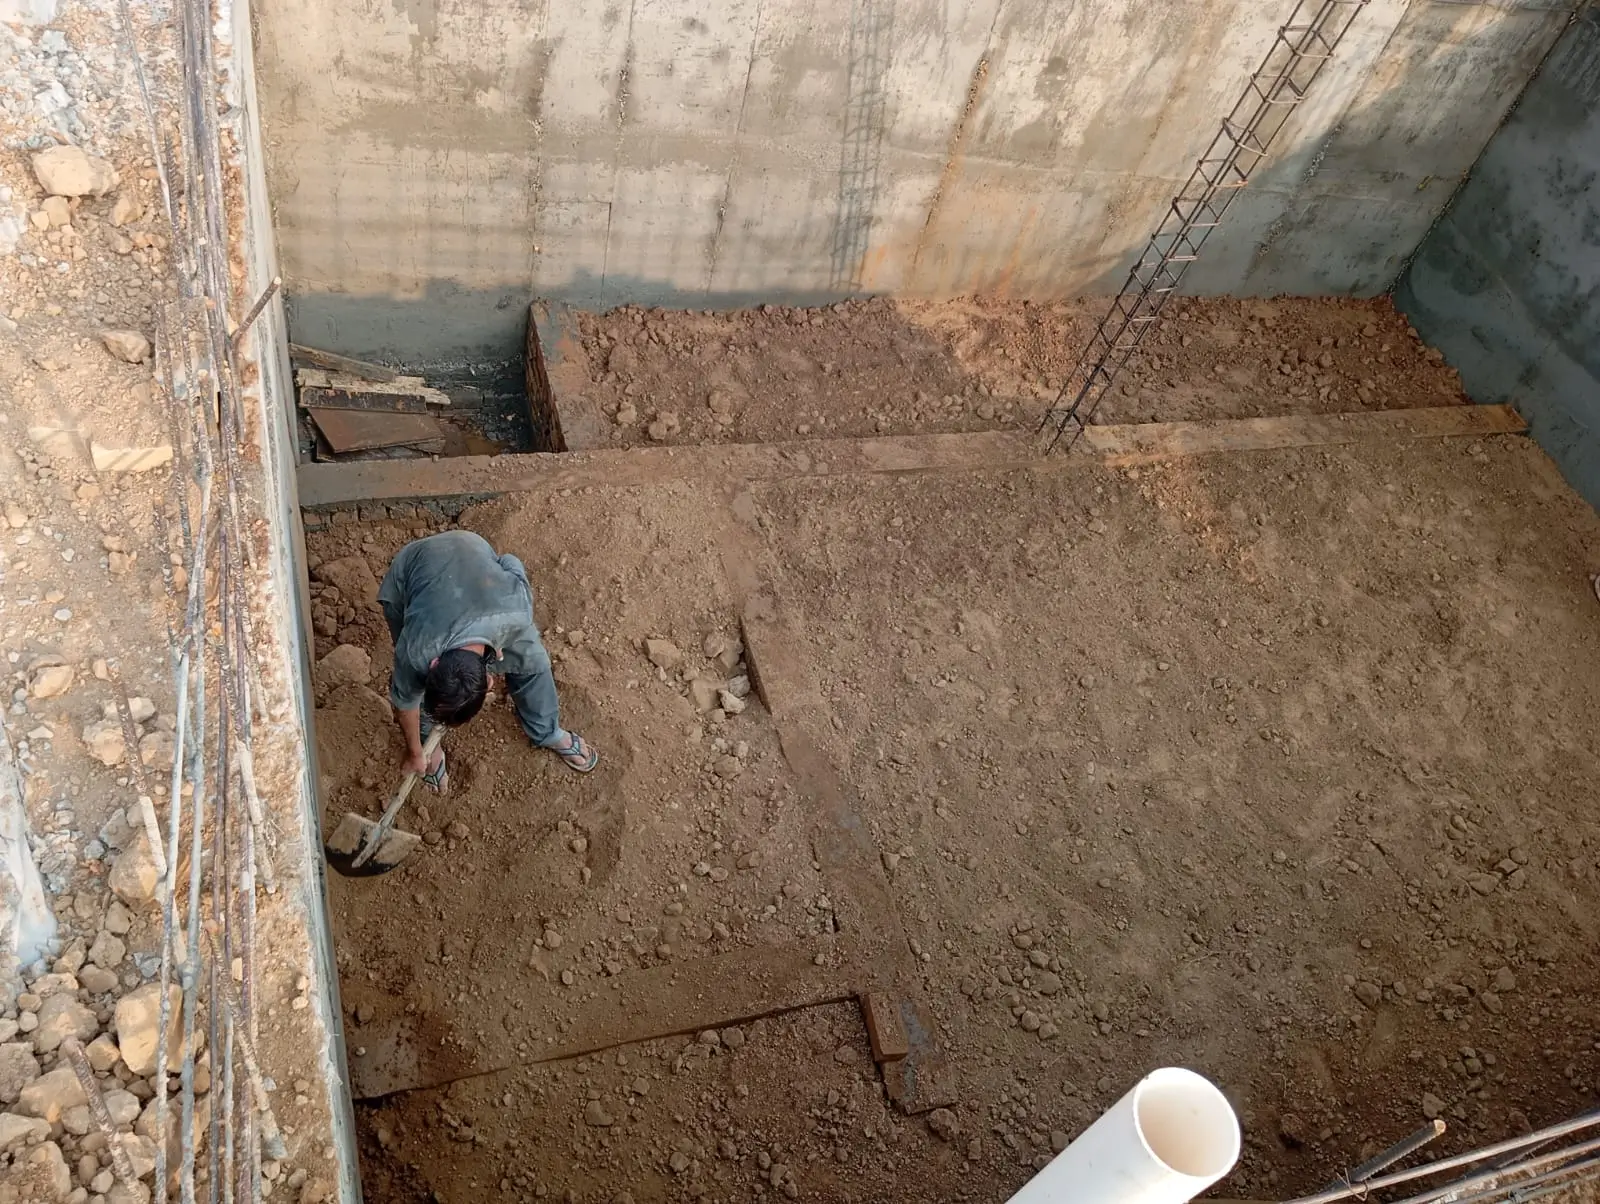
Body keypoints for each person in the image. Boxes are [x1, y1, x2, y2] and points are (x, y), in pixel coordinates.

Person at [378, 530, 597, 786]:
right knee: (422, 690)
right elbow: (406, 703)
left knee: (533, 661)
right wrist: (416, 753)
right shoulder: (417, 649)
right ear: (434, 663)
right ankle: (430, 750)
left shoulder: (517, 610)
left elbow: (509, 561)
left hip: (469, 546)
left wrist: (497, 638)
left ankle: (547, 732)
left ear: (489, 680)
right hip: (412, 568)